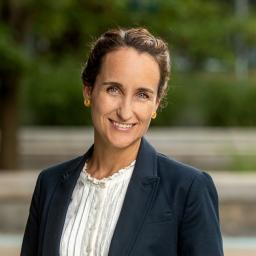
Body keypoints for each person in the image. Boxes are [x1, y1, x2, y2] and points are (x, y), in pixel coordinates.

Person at [21, 27, 224, 256]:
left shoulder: (188, 189)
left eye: (142, 95)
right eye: (114, 89)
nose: (125, 112)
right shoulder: (49, 184)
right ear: (88, 91)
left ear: (156, 104)